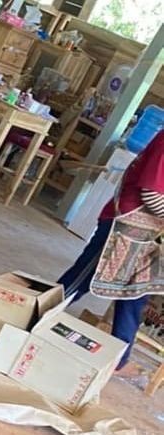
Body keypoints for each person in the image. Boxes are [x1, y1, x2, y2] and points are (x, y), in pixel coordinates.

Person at [57, 128, 164, 376]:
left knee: (136, 291)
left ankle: (118, 360)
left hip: (148, 232)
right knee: (83, 278)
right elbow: (152, 193)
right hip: (124, 222)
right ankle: (33, 314)